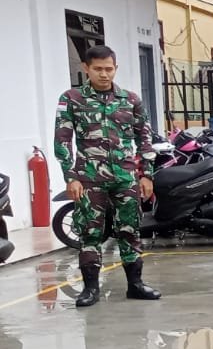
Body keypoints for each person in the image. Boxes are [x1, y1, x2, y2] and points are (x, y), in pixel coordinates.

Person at [53, 45, 160, 308]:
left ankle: (135, 285)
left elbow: (145, 138)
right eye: (98, 69)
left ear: (116, 68)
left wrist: (147, 175)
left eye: (109, 69)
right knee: (90, 232)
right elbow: (62, 140)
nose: (104, 74)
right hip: (89, 178)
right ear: (86, 69)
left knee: (130, 230)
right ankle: (90, 289)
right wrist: (71, 176)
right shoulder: (72, 99)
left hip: (125, 177)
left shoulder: (130, 99)